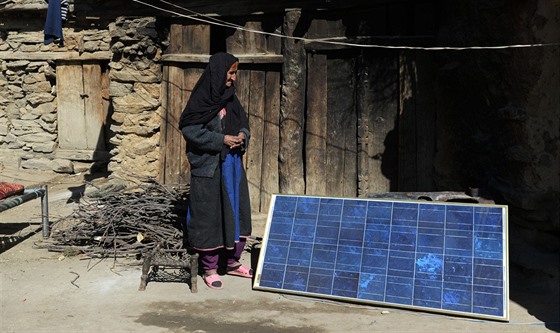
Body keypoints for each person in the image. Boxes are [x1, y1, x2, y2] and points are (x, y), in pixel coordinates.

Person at [179, 52, 253, 289]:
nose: (233, 77)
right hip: (210, 168)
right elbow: (190, 129)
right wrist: (221, 140)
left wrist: (242, 134)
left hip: (231, 165)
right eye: (230, 73)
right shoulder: (201, 101)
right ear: (219, 73)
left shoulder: (231, 98)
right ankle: (209, 267)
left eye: (234, 72)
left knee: (236, 210)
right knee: (209, 214)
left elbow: (243, 122)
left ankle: (232, 261)